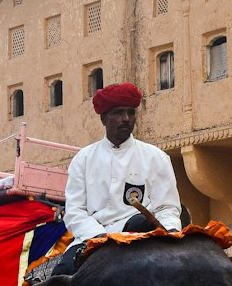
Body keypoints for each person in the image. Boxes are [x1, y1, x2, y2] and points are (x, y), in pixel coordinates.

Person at [63, 82, 183, 245]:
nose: (126, 119)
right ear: (104, 119)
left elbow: (167, 208)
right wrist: (100, 237)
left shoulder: (156, 157)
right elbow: (75, 212)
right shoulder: (83, 159)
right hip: (91, 237)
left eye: (130, 113)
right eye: (118, 113)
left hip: (140, 231)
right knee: (63, 269)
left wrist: (170, 230)